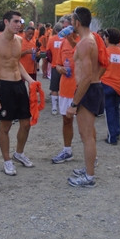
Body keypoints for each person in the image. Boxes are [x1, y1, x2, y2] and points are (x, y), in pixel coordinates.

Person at [0, 10, 36, 176]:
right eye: (15, 21)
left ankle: (19, 153)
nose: (19, 24)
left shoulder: (19, 40)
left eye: (20, 22)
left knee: (26, 124)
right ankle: (7, 160)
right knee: (5, 126)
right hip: (4, 86)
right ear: (6, 22)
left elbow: (17, 63)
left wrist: (30, 80)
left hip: (19, 85)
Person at [65, 7, 104, 187]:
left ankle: (89, 177)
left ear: (77, 23)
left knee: (86, 135)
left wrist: (74, 104)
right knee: (86, 133)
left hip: (88, 89)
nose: (71, 24)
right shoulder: (86, 40)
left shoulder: (86, 43)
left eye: (72, 21)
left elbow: (87, 76)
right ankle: (88, 168)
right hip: (89, 88)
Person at [51, 21, 78, 164]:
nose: (66, 29)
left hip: (82, 89)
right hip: (66, 88)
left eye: (69, 26)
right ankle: (67, 151)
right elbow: (57, 64)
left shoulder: (85, 40)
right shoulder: (63, 43)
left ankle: (92, 156)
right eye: (65, 27)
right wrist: (59, 68)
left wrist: (72, 40)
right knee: (67, 120)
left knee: (85, 124)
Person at [101, 28, 120, 145]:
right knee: (115, 108)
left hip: (107, 84)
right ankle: (116, 132)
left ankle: (112, 137)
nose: (103, 39)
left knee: (109, 111)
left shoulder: (104, 52)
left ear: (107, 38)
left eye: (104, 37)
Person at [46, 22, 64, 115]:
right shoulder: (66, 39)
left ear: (55, 30)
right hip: (65, 67)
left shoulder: (51, 39)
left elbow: (48, 52)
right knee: (65, 88)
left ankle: (54, 108)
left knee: (54, 88)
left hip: (55, 66)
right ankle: (64, 106)